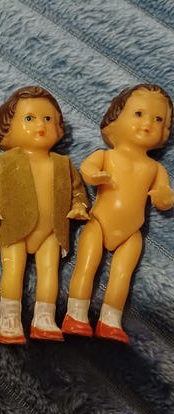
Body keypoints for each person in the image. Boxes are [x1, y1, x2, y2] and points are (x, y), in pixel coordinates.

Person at [62, 84, 173, 344]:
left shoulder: (155, 168)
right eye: (139, 114)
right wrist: (94, 175)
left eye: (158, 119)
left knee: (122, 274)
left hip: (132, 233)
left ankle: (110, 320)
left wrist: (163, 197)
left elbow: (165, 196)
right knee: (87, 266)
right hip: (98, 223)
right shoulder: (106, 155)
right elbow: (87, 168)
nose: (148, 123)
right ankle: (75, 315)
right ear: (115, 118)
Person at [0, 86, 89, 344]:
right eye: (29, 118)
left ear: (59, 127)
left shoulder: (63, 164)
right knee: (13, 270)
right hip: (15, 228)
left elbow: (77, 191)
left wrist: (80, 207)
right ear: (8, 128)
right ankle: (9, 319)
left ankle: (44, 317)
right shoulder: (4, 161)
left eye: (48, 118)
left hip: (52, 231)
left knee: (50, 272)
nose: (40, 125)